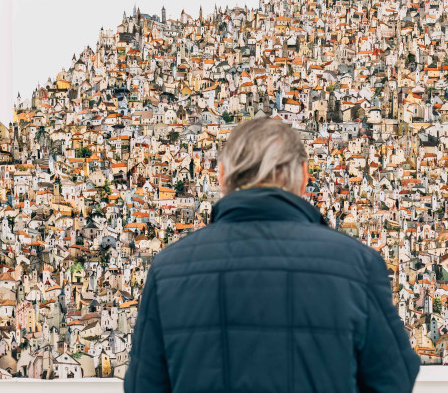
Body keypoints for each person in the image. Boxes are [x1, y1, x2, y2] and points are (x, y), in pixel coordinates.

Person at [124, 117, 420, 392]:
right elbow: (393, 380)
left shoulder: (169, 271)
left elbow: (143, 385)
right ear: (304, 176)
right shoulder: (357, 265)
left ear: (223, 176)